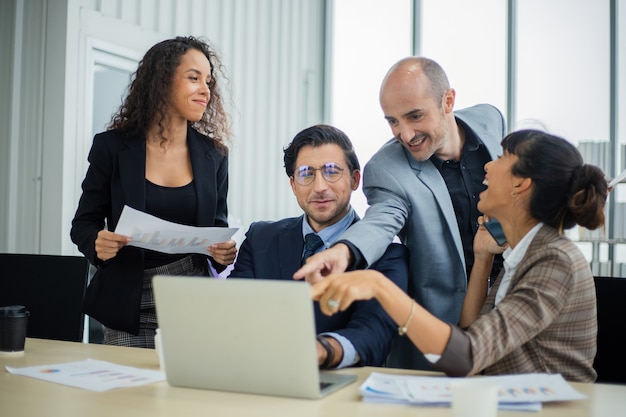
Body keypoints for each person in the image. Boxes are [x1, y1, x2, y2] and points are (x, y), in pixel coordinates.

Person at [312, 129, 607, 382]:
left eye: (503, 158)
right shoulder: (524, 254)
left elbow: (464, 356)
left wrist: (379, 286)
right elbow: (469, 331)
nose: (488, 167)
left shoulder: (555, 260)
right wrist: (482, 259)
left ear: (521, 184)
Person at [295, 56, 506, 369]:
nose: (405, 134)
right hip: (442, 335)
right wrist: (343, 252)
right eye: (392, 121)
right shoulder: (388, 168)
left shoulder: (490, 121)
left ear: (448, 101)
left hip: (509, 315)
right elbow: (380, 223)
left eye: (415, 116)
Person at [71, 36, 237, 348]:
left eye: (209, 81)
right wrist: (97, 243)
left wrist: (223, 253)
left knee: (186, 396)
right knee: (128, 396)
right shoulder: (112, 148)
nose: (206, 90)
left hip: (192, 302)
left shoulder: (215, 155)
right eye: (193, 78)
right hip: (129, 303)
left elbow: (216, 227)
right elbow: (83, 224)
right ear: (161, 81)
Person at [229, 124, 409, 369]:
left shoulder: (388, 255)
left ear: (355, 179)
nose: (320, 186)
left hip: (338, 389)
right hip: (258, 375)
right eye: (306, 174)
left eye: (332, 171)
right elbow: (234, 310)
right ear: (293, 185)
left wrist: (323, 350)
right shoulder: (260, 237)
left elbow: (373, 334)